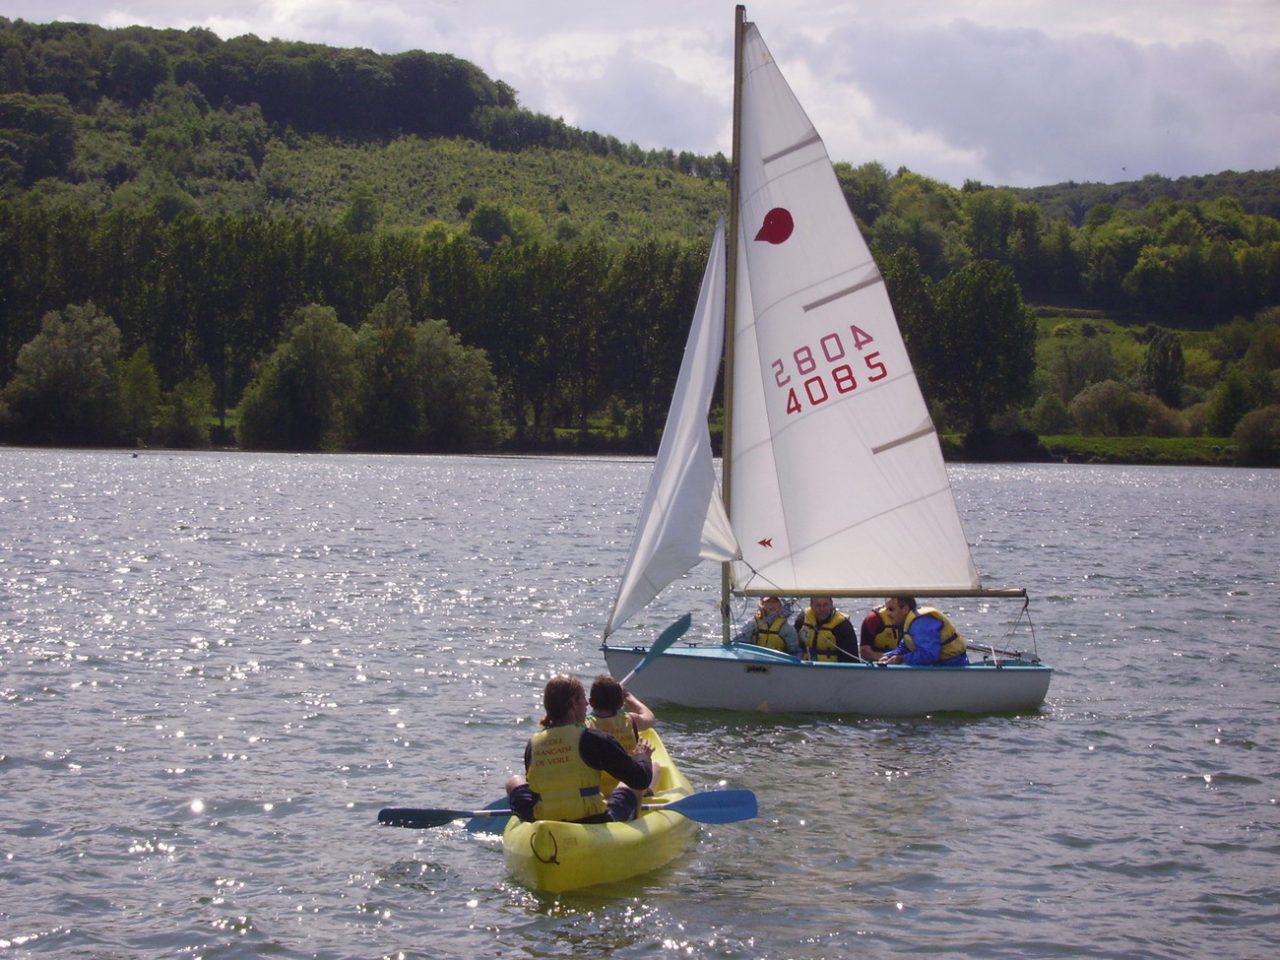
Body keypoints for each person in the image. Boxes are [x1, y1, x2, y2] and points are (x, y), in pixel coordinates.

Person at [505, 675, 655, 824]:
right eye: (583, 698)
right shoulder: (594, 739)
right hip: (593, 819)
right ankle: (634, 820)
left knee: (514, 781)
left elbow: (534, 787)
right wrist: (642, 756)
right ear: (573, 703)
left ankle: (526, 825)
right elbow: (640, 780)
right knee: (628, 784)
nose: (586, 704)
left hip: (544, 818)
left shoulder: (533, 743)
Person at [586, 674, 657, 793]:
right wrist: (629, 697)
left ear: (591, 702)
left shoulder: (585, 725)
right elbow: (650, 717)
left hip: (599, 789)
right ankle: (647, 791)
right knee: (655, 766)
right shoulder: (630, 720)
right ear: (621, 703)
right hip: (629, 785)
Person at [877, 596, 969, 666]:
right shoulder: (907, 622)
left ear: (904, 609)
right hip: (938, 666)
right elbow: (905, 647)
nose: (887, 613)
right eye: (886, 609)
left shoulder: (920, 623)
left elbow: (929, 655)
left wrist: (902, 659)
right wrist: (888, 656)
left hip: (953, 666)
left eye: (891, 609)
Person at [794, 596, 860, 662]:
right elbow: (793, 646)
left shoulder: (842, 625)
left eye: (825, 605)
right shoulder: (803, 619)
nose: (822, 609)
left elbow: (851, 657)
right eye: (818, 605)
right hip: (806, 666)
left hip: (832, 668)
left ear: (831, 604)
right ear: (811, 606)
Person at [730, 596, 801, 655]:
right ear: (762, 604)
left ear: (780, 605)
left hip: (778, 662)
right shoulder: (753, 623)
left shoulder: (786, 628)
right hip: (755, 659)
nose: (772, 605)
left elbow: (794, 650)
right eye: (768, 602)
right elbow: (741, 642)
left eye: (775, 602)